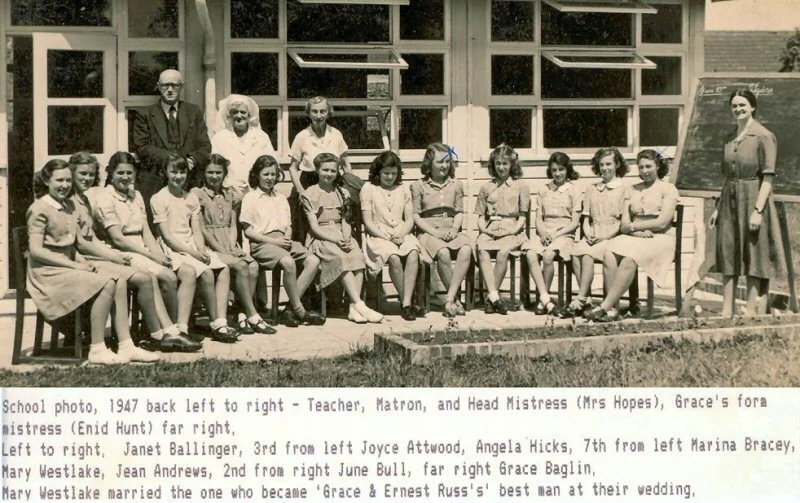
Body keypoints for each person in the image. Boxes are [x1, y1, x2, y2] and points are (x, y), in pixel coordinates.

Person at [27, 160, 147, 365]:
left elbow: (70, 244)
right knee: (107, 282)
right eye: (59, 180)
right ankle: (97, 348)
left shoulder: (68, 205)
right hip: (47, 272)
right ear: (47, 181)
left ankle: (126, 345)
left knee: (117, 278)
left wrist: (83, 262)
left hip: (67, 265)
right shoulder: (40, 208)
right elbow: (36, 251)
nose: (64, 185)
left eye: (67, 180)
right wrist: (75, 265)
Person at [70, 152, 176, 359]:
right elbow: (84, 242)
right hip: (89, 257)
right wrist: (113, 255)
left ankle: (158, 333)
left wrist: (155, 252)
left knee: (149, 276)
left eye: (90, 175)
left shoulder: (84, 199)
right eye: (81, 174)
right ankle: (156, 334)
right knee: (142, 277)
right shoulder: (76, 202)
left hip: (99, 253)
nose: (87, 179)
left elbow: (90, 238)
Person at [92, 152, 201, 352]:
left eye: (129, 173)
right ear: (111, 173)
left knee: (174, 273)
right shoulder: (105, 198)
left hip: (141, 247)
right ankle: (164, 333)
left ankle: (175, 330)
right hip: (120, 250)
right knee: (161, 276)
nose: (125, 178)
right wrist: (150, 256)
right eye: (120, 173)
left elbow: (146, 231)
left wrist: (157, 253)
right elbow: (117, 238)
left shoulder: (137, 195)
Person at [709, 89, 786, 316]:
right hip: (730, 198)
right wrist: (717, 208)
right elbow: (726, 175)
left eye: (742, 105)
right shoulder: (729, 137)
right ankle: (726, 309)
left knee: (754, 252)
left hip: (754, 195)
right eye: (734, 105)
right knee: (728, 249)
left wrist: (757, 210)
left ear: (752, 106)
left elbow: (768, 177)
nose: (738, 109)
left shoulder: (763, 136)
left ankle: (751, 309)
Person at [151, 154, 239, 343]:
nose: (178, 176)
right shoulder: (159, 198)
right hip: (173, 248)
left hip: (192, 246)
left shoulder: (190, 197)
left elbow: (196, 229)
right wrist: (193, 253)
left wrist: (201, 250)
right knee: (203, 273)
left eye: (182, 172)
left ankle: (220, 321)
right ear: (165, 173)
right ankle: (187, 327)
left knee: (222, 268)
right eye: (174, 171)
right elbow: (167, 235)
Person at [585, 149, 680, 322]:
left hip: (660, 238)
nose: (644, 171)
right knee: (609, 254)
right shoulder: (633, 189)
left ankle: (604, 307)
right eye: (641, 167)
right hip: (636, 236)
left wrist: (634, 227)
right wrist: (636, 231)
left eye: (648, 166)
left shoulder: (668, 189)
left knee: (629, 259)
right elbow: (625, 224)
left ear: (658, 166)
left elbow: (662, 222)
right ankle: (613, 309)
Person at [190, 154, 275, 335]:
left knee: (253, 265)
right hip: (209, 245)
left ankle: (242, 314)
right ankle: (252, 315)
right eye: (210, 172)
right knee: (240, 266)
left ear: (224, 173)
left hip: (228, 241)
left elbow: (233, 225)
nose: (214, 176)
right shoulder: (198, 194)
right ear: (204, 174)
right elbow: (202, 229)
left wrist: (231, 247)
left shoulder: (229, 194)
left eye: (218, 172)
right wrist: (223, 250)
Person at [240, 155, 325, 328]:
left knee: (313, 260)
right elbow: (248, 231)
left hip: (283, 240)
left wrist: (286, 236)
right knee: (288, 262)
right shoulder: (251, 198)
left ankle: (289, 308)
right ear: (257, 175)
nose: (270, 178)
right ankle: (300, 311)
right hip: (262, 243)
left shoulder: (281, 198)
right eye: (265, 174)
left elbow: (288, 225)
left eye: (273, 174)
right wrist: (274, 241)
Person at [302, 153, 383, 324]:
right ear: (317, 170)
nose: (329, 174)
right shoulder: (310, 193)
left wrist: (346, 237)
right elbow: (314, 227)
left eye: (333, 170)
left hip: (341, 233)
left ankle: (353, 308)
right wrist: (335, 240)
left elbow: (346, 219)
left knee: (357, 256)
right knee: (342, 258)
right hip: (321, 236)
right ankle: (360, 304)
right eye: (325, 170)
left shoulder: (342, 192)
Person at [130, 69, 211, 226]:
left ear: (181, 87)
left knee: (189, 225)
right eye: (165, 85)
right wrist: (172, 161)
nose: (170, 89)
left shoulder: (193, 112)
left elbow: (205, 146)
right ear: (158, 87)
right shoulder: (145, 114)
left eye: (174, 85)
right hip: (156, 181)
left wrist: (191, 161)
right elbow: (142, 146)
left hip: (188, 181)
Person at [361, 151, 429, 321]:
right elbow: (368, 222)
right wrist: (387, 237)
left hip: (401, 231)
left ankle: (405, 303)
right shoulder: (368, 189)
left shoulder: (403, 189)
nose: (390, 177)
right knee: (393, 257)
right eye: (386, 173)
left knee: (413, 251)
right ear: (378, 172)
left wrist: (401, 233)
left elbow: (409, 219)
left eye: (393, 173)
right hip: (378, 234)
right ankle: (408, 303)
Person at [562, 147, 628, 318]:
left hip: (613, 235)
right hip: (592, 232)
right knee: (576, 252)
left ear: (617, 164)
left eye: (609, 164)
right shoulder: (592, 189)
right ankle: (587, 298)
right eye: (601, 165)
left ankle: (582, 298)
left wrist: (604, 236)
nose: (605, 168)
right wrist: (587, 232)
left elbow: (622, 222)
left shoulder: (623, 189)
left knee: (588, 255)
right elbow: (585, 217)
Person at [410, 143, 473, 318]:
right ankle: (455, 301)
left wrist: (454, 228)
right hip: (428, 231)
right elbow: (416, 216)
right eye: (440, 162)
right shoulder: (419, 186)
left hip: (451, 229)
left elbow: (459, 212)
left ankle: (450, 299)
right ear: (429, 163)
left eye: (447, 162)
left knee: (466, 248)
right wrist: (434, 232)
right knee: (443, 253)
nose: (444, 166)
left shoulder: (456, 185)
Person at [474, 144, 534, 315]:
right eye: (498, 163)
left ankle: (490, 299)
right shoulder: (486, 187)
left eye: (505, 164)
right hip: (490, 229)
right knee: (482, 250)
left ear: (512, 165)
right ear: (493, 165)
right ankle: (494, 297)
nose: (501, 167)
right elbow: (480, 215)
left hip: (512, 229)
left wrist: (513, 230)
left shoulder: (521, 186)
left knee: (502, 252)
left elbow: (523, 215)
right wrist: (484, 231)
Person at [529, 152, 582, 315]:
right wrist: (543, 232)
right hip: (545, 233)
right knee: (530, 254)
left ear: (567, 170)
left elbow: (574, 223)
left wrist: (555, 235)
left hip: (564, 235)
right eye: (554, 170)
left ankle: (541, 301)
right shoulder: (544, 190)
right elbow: (538, 218)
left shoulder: (574, 191)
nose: (558, 174)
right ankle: (545, 298)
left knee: (547, 256)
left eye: (561, 169)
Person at [210, 94, 276, 203]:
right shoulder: (219, 138)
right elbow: (214, 166)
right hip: (228, 192)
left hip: (257, 192)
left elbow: (271, 164)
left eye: (243, 112)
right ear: (229, 116)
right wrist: (229, 185)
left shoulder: (261, 137)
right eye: (235, 112)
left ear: (249, 115)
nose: (239, 116)